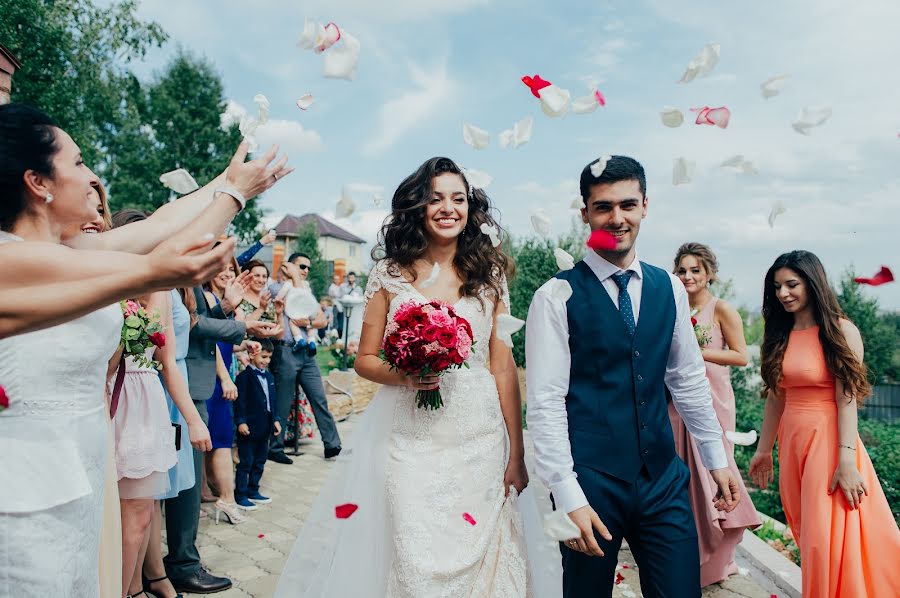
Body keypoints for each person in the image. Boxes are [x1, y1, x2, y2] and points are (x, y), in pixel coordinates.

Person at [0, 103, 287, 596]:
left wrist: (230, 184)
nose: (91, 177)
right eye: (78, 162)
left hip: (84, 462)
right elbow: (153, 261)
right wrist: (158, 271)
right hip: (25, 476)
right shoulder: (10, 256)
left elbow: (162, 225)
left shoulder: (76, 250)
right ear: (38, 182)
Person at [275, 156, 531, 596]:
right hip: (412, 440)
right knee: (413, 556)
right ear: (418, 207)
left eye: (458, 199)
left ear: (471, 208)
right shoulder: (390, 274)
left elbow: (502, 367)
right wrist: (409, 375)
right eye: (436, 199)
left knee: (485, 555)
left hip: (481, 439)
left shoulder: (489, 277)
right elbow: (365, 360)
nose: (448, 208)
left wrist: (517, 453)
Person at [526, 155, 741, 597]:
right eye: (603, 207)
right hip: (590, 481)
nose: (616, 218)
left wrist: (716, 458)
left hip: (663, 479)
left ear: (645, 205)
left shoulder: (670, 288)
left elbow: (687, 379)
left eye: (627, 204)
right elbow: (545, 403)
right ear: (585, 212)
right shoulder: (555, 296)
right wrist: (567, 495)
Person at [748, 250, 900, 598]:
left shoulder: (842, 331)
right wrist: (763, 450)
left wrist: (847, 460)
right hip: (793, 444)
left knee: (825, 539)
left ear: (813, 283)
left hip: (829, 445)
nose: (783, 293)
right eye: (777, 287)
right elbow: (776, 396)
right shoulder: (780, 334)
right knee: (809, 535)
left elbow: (847, 399)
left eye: (792, 284)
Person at [672, 242, 760, 586]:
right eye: (682, 270)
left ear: (709, 274)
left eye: (695, 270)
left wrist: (698, 352)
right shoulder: (675, 306)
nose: (688, 276)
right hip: (678, 403)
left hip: (714, 401)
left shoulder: (721, 309)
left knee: (716, 473)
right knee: (686, 474)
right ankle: (691, 553)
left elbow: (741, 356)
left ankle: (719, 557)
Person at [268, 255, 341, 465]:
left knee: (319, 398)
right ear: (289, 267)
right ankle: (275, 447)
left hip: (307, 354)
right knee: (282, 402)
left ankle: (332, 444)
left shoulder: (305, 289)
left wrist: (307, 320)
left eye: (308, 267)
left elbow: (320, 319)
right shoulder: (277, 288)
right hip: (286, 351)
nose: (306, 270)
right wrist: (293, 278)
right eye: (301, 266)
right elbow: (296, 301)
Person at [233, 339, 280, 511]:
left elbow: (272, 401)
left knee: (260, 461)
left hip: (264, 427)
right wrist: (241, 421)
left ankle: (254, 490)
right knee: (246, 462)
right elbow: (240, 402)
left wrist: (276, 419)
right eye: (264, 356)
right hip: (249, 428)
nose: (267, 361)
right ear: (252, 354)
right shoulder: (244, 377)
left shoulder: (269, 376)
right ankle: (240, 494)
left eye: (269, 357)